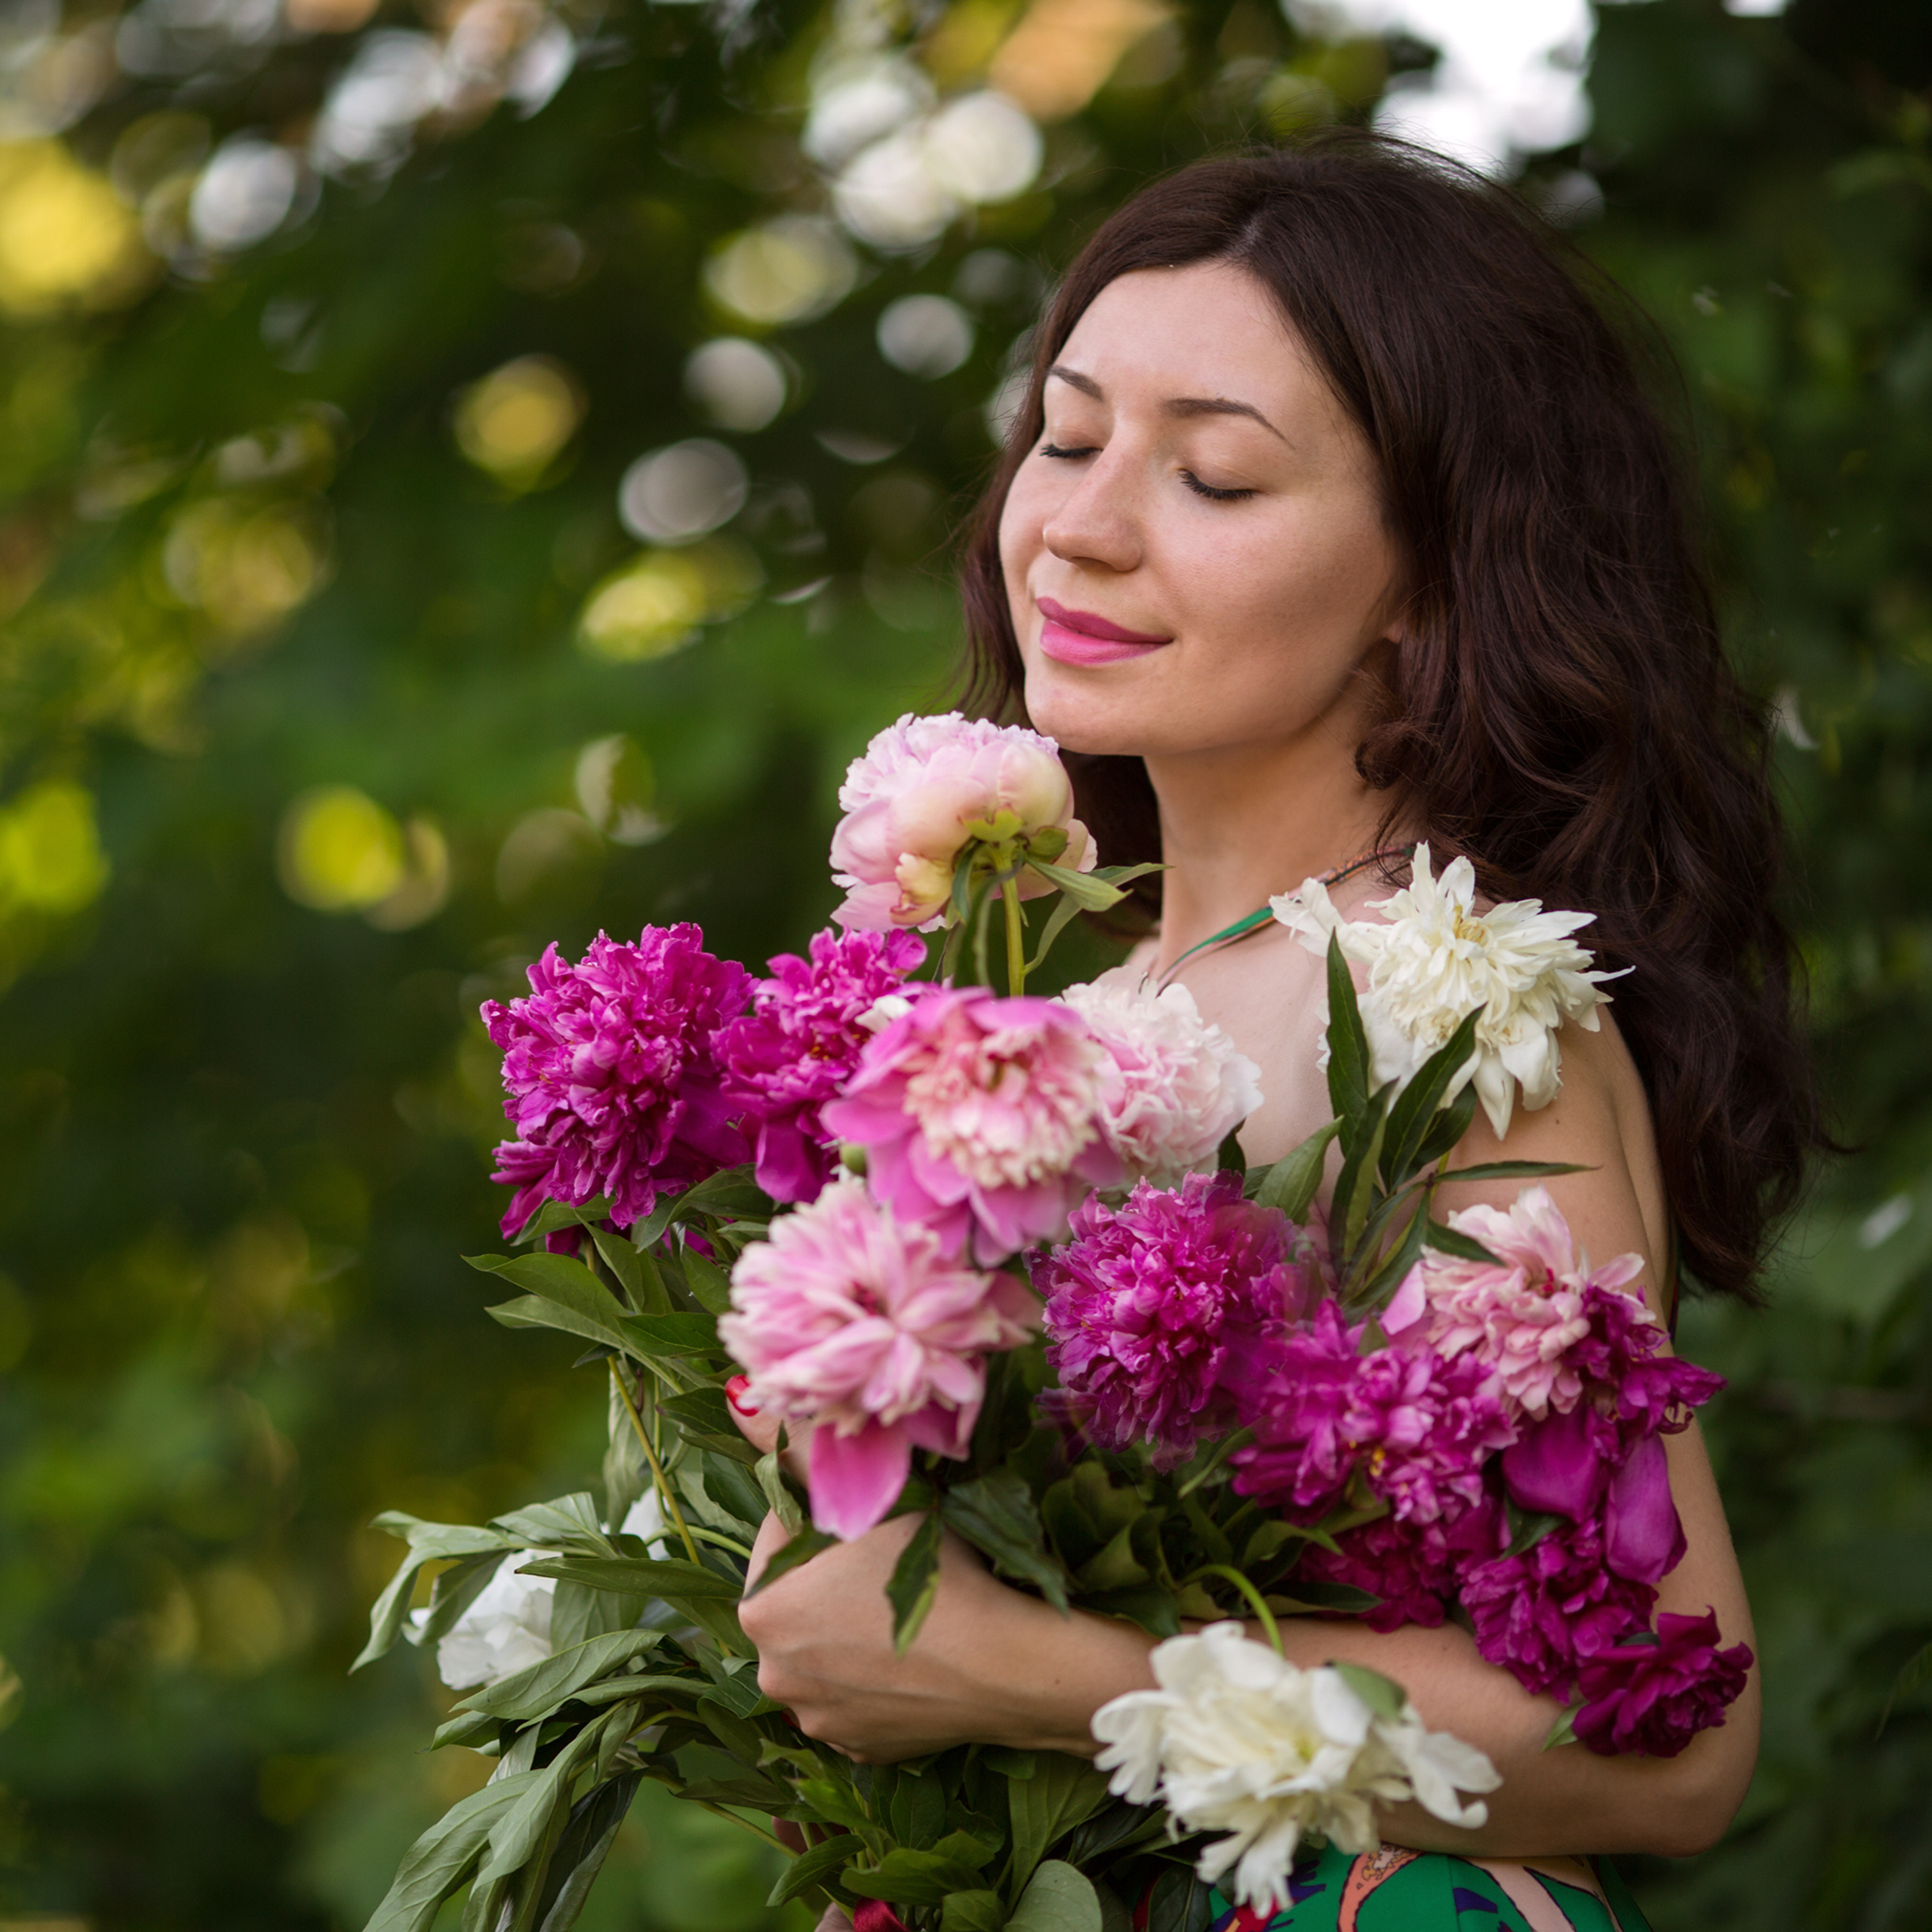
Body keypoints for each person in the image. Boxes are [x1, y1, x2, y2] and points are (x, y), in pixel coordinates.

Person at [731, 132, 1821, 1929]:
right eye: (1065, 439)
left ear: (1431, 576)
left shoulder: (1444, 1006)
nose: (1078, 524)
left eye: (1215, 476)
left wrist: (1016, 1665)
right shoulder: (1061, 1018)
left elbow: (1661, 1736)